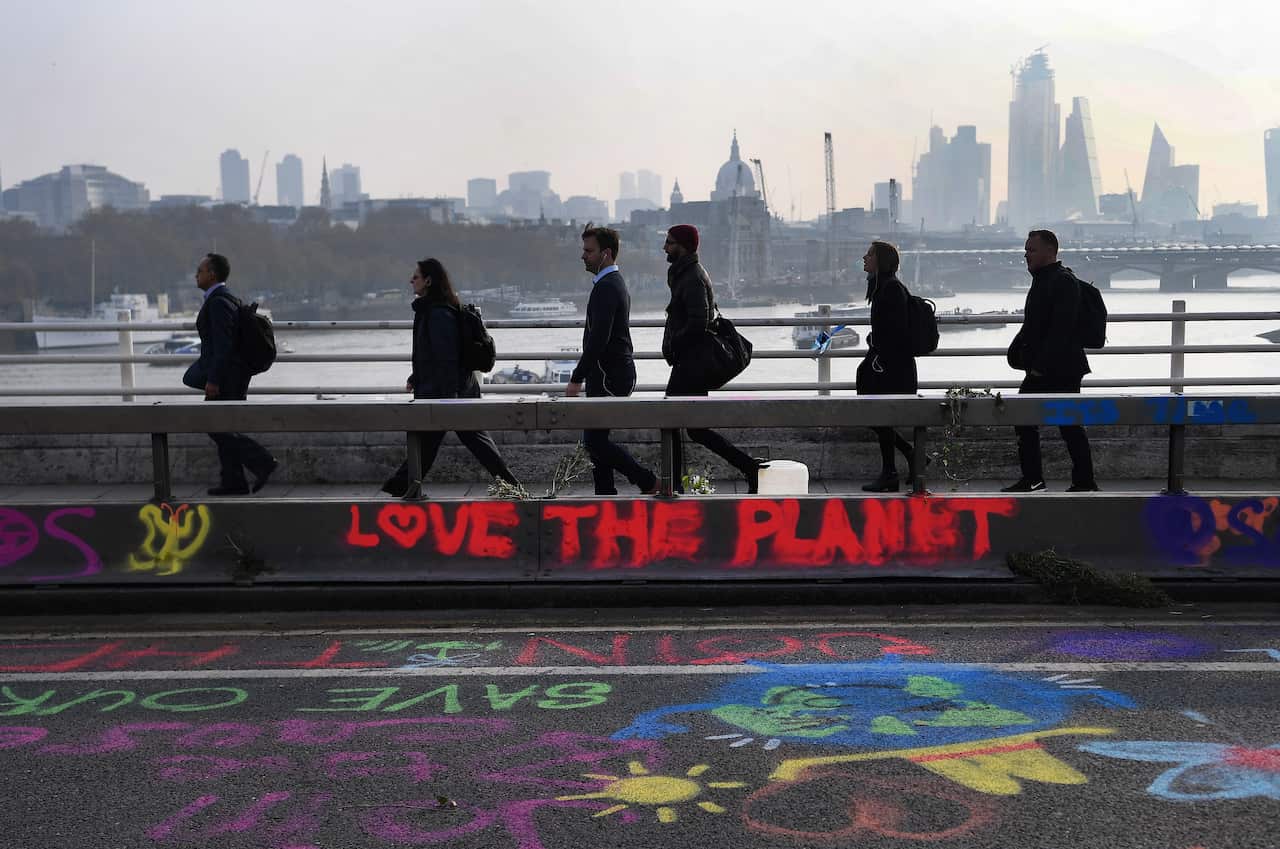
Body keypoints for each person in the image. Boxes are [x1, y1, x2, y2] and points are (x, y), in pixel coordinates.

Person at [381, 258, 520, 498]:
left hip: (447, 392)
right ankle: (511, 485)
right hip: (450, 390)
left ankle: (402, 485)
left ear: (428, 281)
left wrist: (449, 398)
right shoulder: (433, 309)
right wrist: (417, 377)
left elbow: (446, 358)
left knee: (433, 441)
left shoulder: (437, 314)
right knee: (461, 441)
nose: (411, 280)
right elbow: (431, 354)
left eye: (416, 276)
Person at [661, 224, 766, 493]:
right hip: (688, 361)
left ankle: (673, 485)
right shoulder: (685, 273)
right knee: (692, 428)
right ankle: (748, 468)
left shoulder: (693, 277)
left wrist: (675, 342)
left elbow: (699, 321)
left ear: (683, 246)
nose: (665, 247)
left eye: (669, 242)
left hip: (691, 364)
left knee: (669, 420)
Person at [565, 224, 658, 496]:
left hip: (608, 375)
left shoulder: (606, 288)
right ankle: (605, 493)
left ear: (605, 254)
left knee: (594, 441)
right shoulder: (612, 284)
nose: (583, 256)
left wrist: (575, 378)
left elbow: (598, 340)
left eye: (588, 251)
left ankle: (647, 481)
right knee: (595, 439)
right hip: (610, 373)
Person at [1002, 229, 1098, 493]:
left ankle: (1045, 479)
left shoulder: (1061, 281)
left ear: (1050, 251)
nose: (1026, 254)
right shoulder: (1045, 279)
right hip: (1053, 366)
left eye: (1032, 249)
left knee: (1054, 423)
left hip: (1058, 368)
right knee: (1062, 424)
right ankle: (1076, 480)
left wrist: (1039, 367)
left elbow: (1061, 329)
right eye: (1026, 249)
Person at [184, 253, 278, 496]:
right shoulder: (227, 298)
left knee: (215, 425)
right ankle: (233, 481)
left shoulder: (218, 302)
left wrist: (213, 380)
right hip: (234, 373)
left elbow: (223, 345)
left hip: (227, 376)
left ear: (211, 274)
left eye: (200, 270)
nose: (196, 275)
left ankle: (262, 462)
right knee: (224, 424)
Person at [855, 241, 920, 492]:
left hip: (891, 368)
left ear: (881, 261)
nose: (864, 257)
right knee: (877, 417)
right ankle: (907, 458)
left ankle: (891, 472)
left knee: (878, 416)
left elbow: (895, 332)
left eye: (870, 254)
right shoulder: (886, 287)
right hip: (891, 366)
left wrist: (876, 343)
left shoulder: (890, 289)